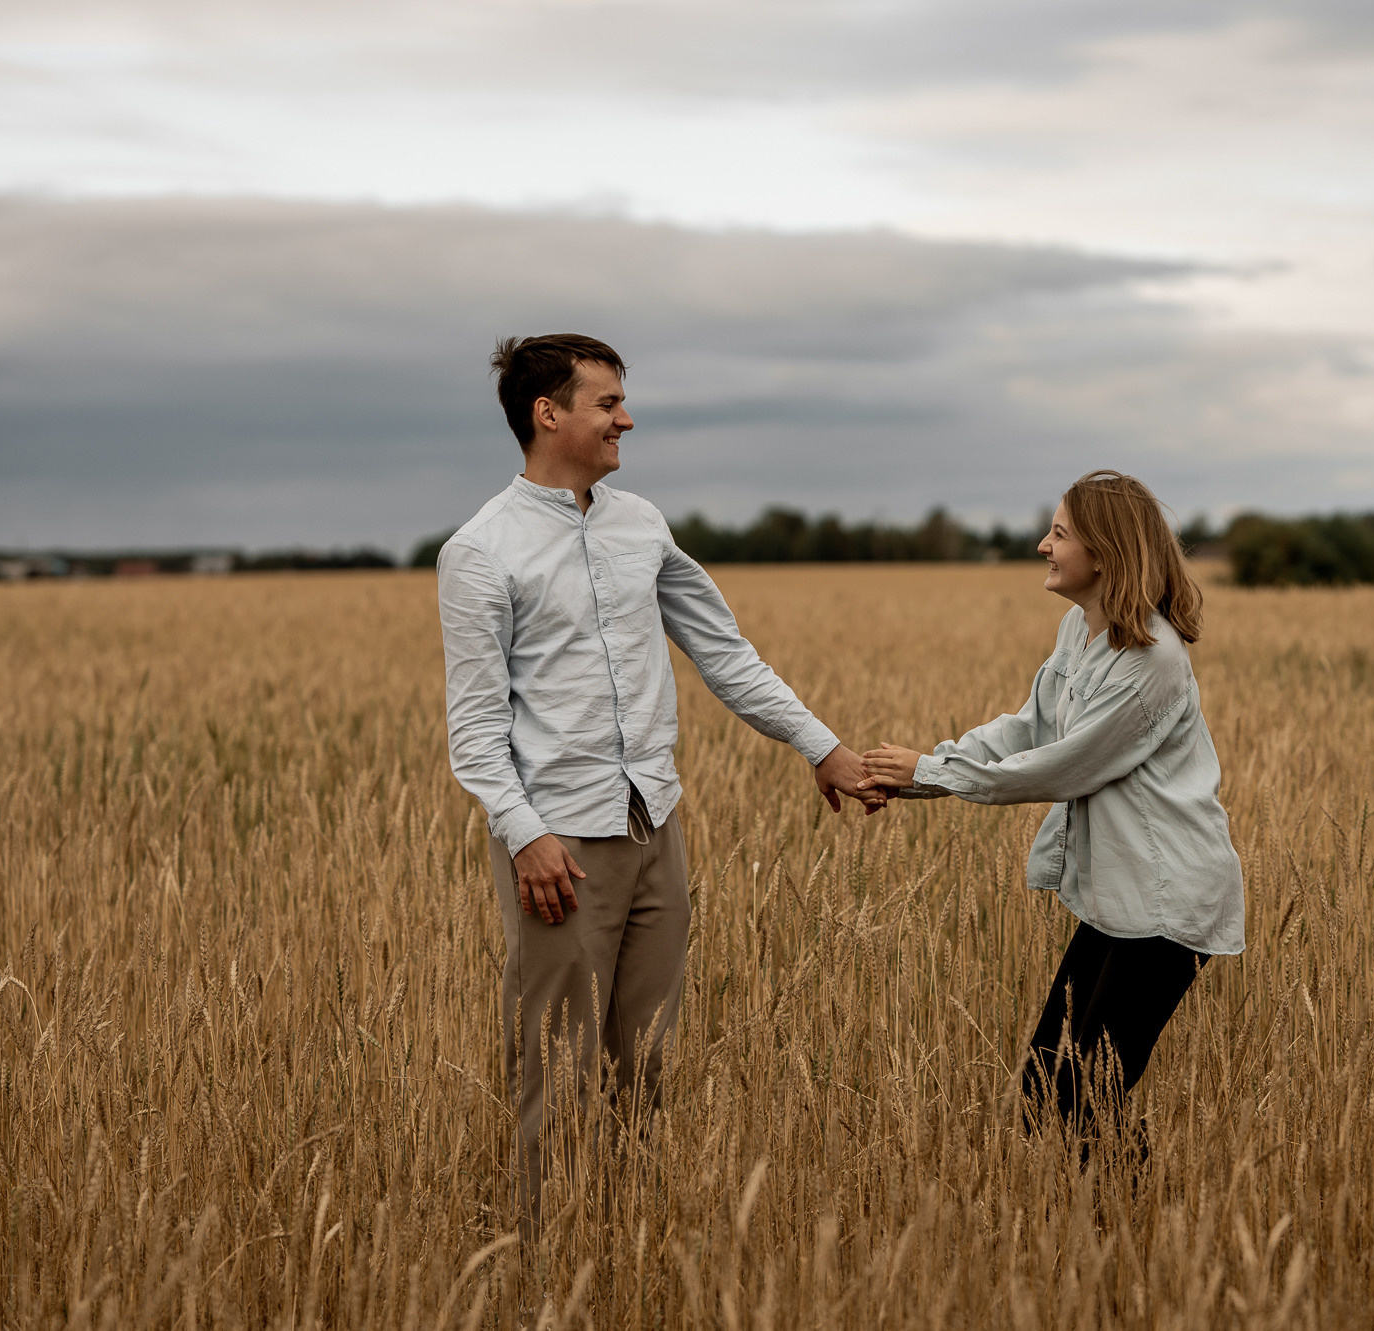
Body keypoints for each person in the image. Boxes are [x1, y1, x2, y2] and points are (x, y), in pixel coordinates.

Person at [437, 333, 884, 1219]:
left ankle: (625, 1248)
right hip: (559, 846)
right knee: (557, 1075)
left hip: (654, 829)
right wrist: (525, 837)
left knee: (644, 1067)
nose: (625, 419)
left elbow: (727, 654)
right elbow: (477, 728)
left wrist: (821, 745)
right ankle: (548, 1267)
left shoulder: (642, 524)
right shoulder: (481, 551)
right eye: (607, 403)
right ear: (547, 413)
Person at [859, 470, 1243, 1141]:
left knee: (1084, 1095)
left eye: (1060, 533)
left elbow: (1065, 765)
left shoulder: (1151, 659)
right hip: (1121, 897)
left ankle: (1132, 1230)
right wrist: (922, 772)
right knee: (1048, 1087)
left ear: (1104, 551)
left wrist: (932, 773)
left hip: (1168, 901)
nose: (1043, 544)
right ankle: (1117, 1226)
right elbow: (1028, 729)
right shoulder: (1080, 628)